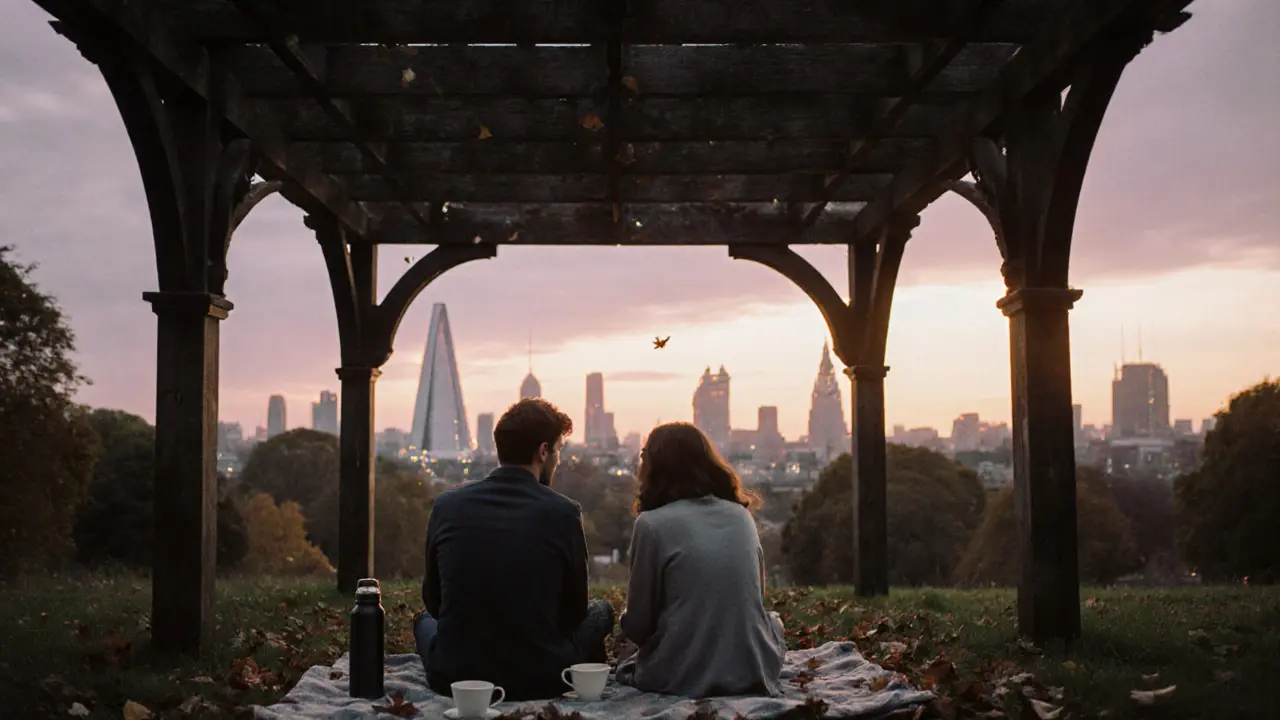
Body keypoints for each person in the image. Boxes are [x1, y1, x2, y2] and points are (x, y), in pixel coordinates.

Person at [413, 398, 615, 701]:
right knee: (602, 611)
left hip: (455, 677)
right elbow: (574, 611)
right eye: (558, 450)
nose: (557, 460)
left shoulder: (447, 505)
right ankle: (587, 683)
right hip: (544, 677)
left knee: (422, 621)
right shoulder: (564, 512)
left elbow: (433, 601)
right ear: (543, 451)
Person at [615, 422, 787, 698]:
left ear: (656, 466)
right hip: (753, 670)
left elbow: (638, 625)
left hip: (678, 677)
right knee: (774, 623)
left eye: (643, 455)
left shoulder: (651, 524)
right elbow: (754, 599)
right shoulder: (740, 516)